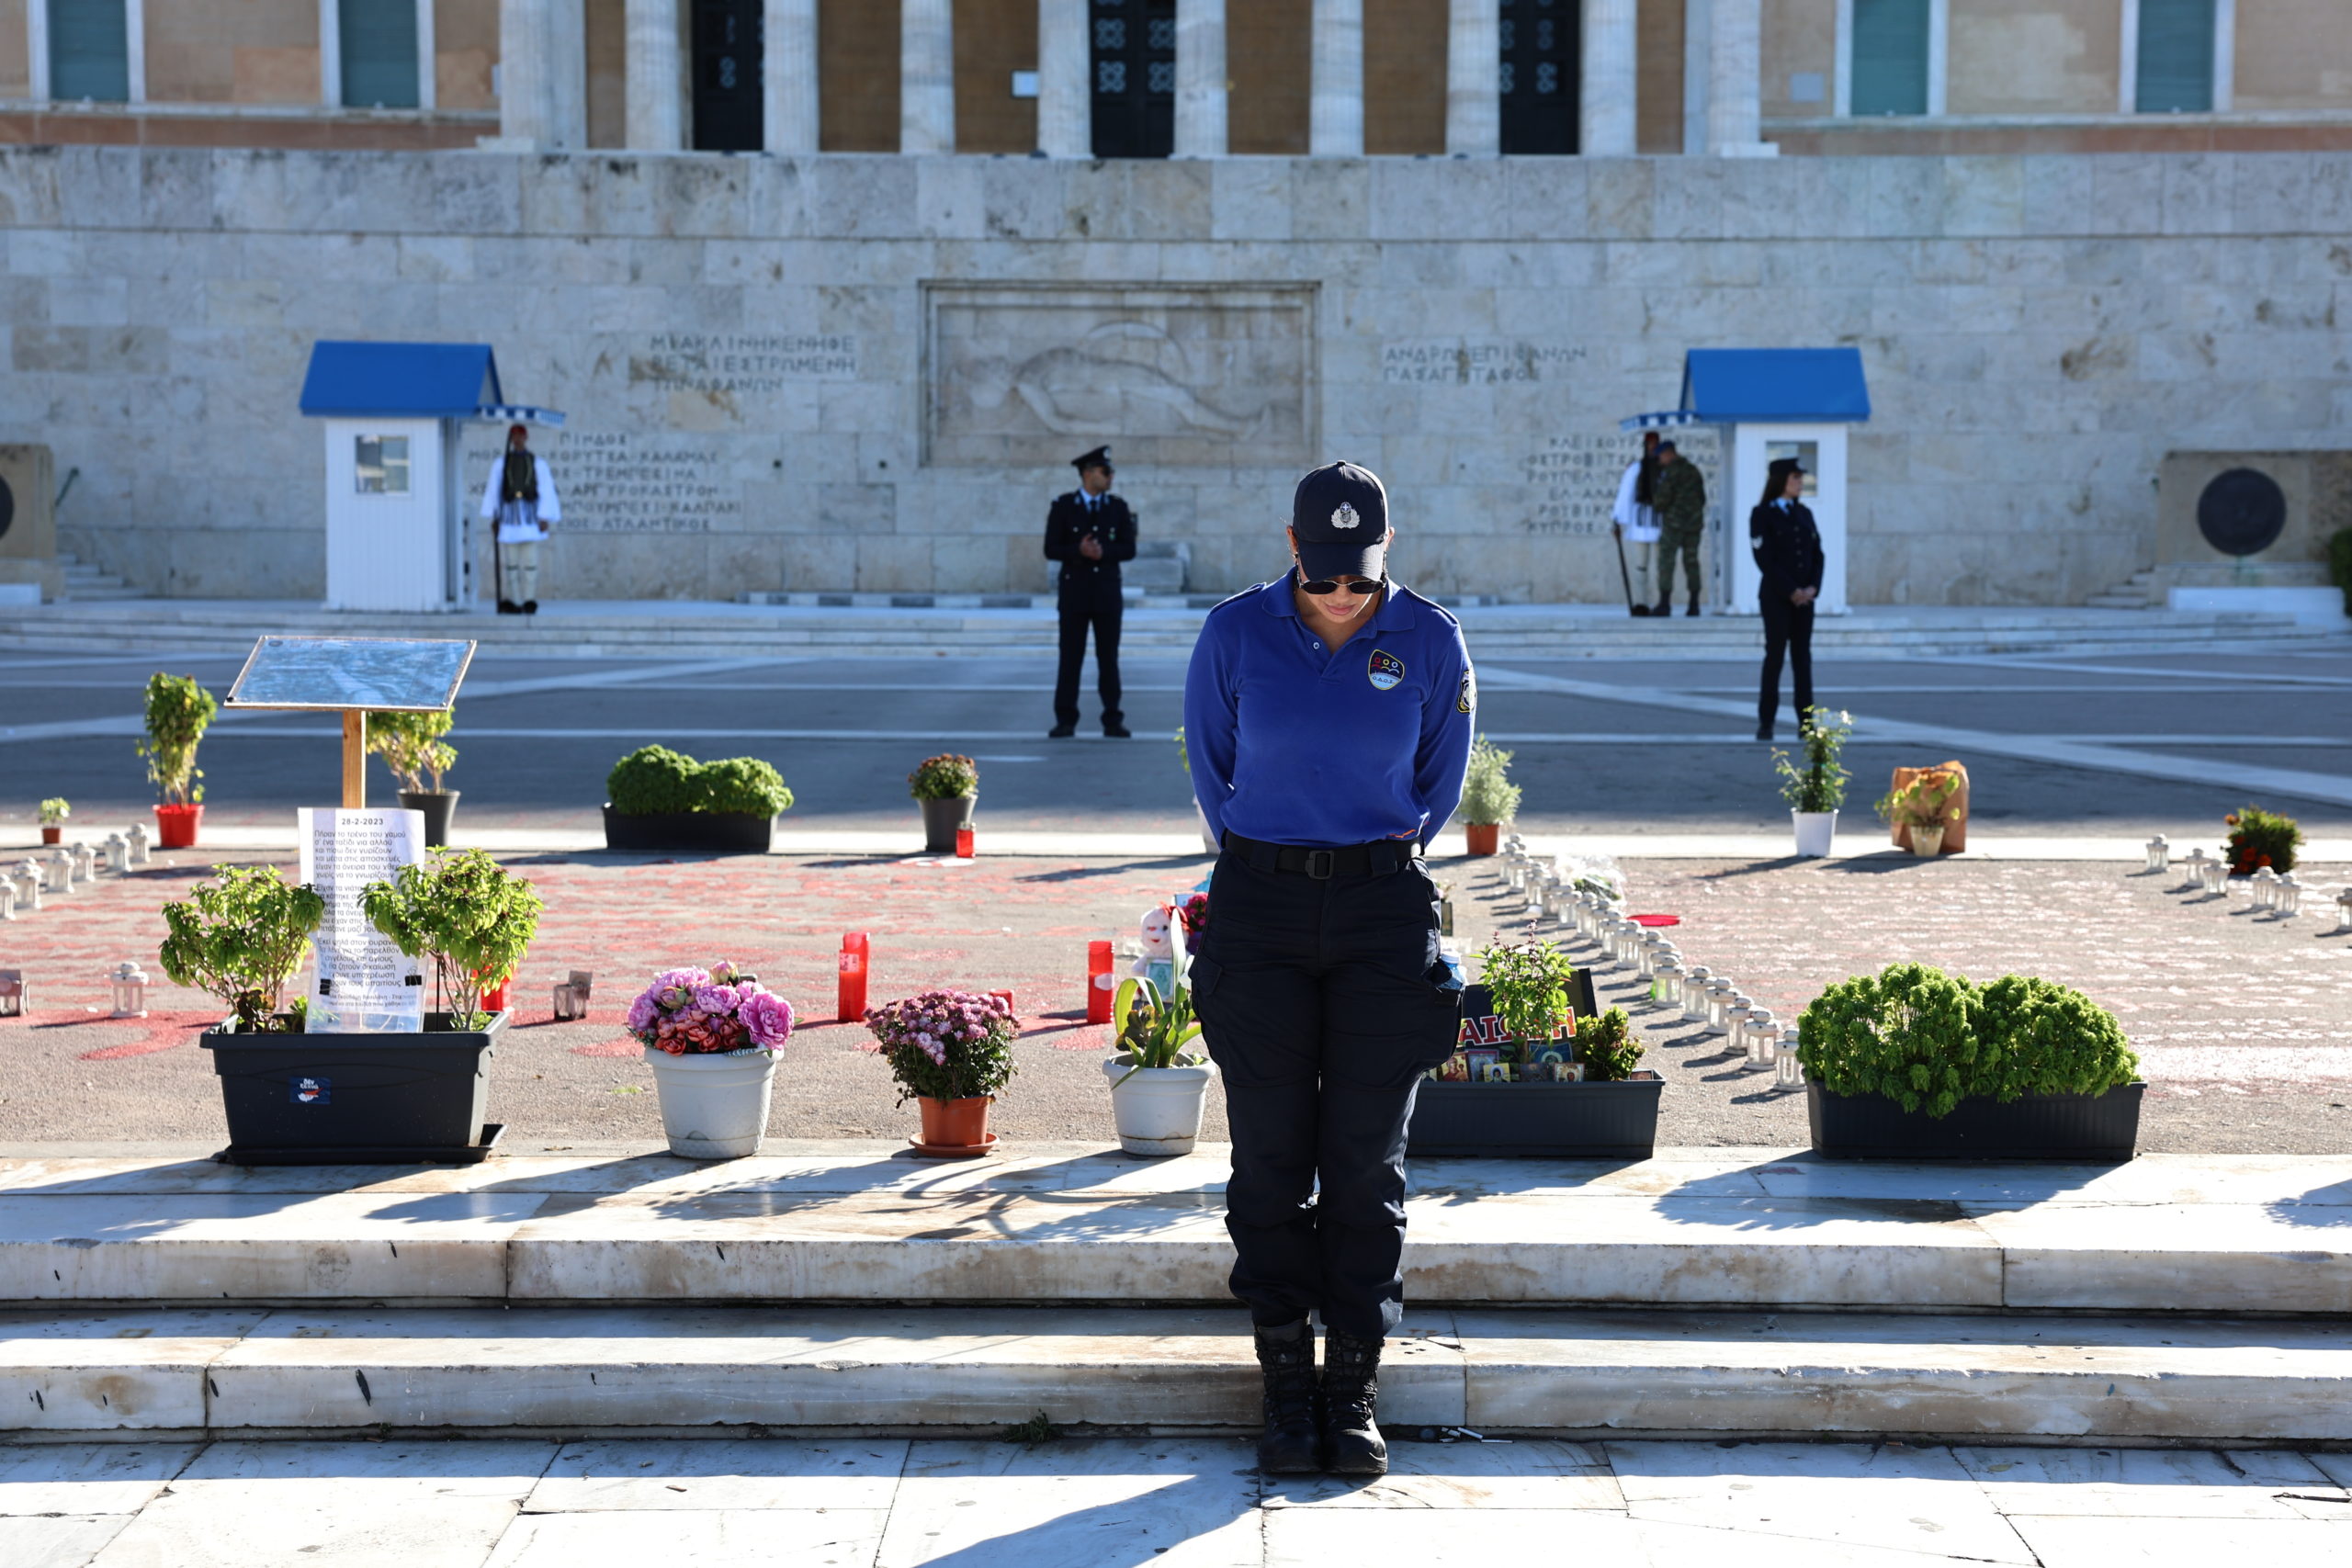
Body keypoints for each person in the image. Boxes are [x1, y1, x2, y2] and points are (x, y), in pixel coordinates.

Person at [1182, 460, 1475, 1478]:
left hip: (1379, 912)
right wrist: (1274, 850)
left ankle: (1350, 1389)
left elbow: (1440, 778)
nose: (1343, 594)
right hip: (1259, 908)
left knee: (1364, 1164)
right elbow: (1211, 765)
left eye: (1360, 576)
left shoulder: (1430, 638)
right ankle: (1283, 1388)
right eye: (1324, 576)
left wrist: (1370, 855)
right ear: (1292, 548)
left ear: (1385, 552)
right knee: (1268, 1159)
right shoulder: (1233, 633)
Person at [1044, 446, 1136, 739]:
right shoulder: (1063, 506)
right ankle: (1065, 719)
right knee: (1070, 658)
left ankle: (1112, 718)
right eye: (1105, 472)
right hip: (1075, 594)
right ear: (1088, 474)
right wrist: (1078, 550)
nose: (1110, 477)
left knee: (1108, 659)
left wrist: (1103, 551)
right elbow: (1051, 548)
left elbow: (1129, 548)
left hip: (1106, 594)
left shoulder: (1117, 507)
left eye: (1111, 472)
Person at [1751, 455, 1825, 741]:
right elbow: (1764, 558)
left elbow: (1817, 554)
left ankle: (1806, 723)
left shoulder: (1804, 513)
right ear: (1781, 480)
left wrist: (1812, 588)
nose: (1800, 483)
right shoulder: (1762, 514)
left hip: (1804, 600)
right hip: (1777, 598)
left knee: (1802, 660)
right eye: (1795, 478)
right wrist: (1791, 590)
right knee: (1775, 657)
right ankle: (1766, 722)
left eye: (1800, 478)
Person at [478, 423, 560, 615]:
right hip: (509, 518)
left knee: (530, 563)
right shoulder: (501, 464)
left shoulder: (537, 463)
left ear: (526, 437)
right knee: (512, 564)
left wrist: (544, 516)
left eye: (520, 436)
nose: (517, 440)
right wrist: (494, 517)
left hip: (529, 517)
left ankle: (529, 599)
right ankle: (515, 600)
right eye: (514, 436)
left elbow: (546, 490)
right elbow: (494, 490)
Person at [1650, 438, 1707, 617]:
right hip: (1694, 524)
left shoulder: (1670, 473)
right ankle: (1694, 604)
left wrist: (1657, 502)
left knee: (1666, 562)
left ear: (1669, 454)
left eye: (1661, 456)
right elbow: (1702, 498)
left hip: (1673, 525)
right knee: (1691, 562)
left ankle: (1665, 604)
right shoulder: (1693, 470)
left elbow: (1661, 501)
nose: (1659, 460)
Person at [1611, 431, 1663, 614]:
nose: (1652, 448)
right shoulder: (1636, 468)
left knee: (1661, 567)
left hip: (1661, 522)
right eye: (1649, 444)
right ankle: (1641, 602)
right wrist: (1617, 519)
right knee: (1641, 566)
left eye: (1655, 444)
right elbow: (1625, 495)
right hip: (1641, 523)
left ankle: (1660, 603)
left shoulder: (1666, 468)